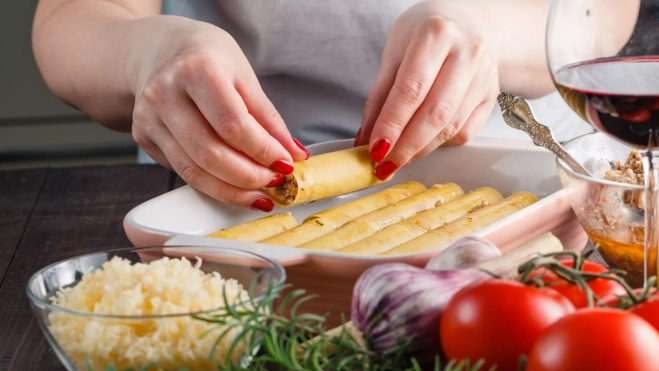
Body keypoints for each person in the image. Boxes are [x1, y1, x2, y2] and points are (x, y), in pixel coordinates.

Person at [32, 0, 592, 212]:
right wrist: (145, 54)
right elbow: (71, 19)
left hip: (525, 188)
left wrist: (483, 27)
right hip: (227, 189)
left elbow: (605, 15)